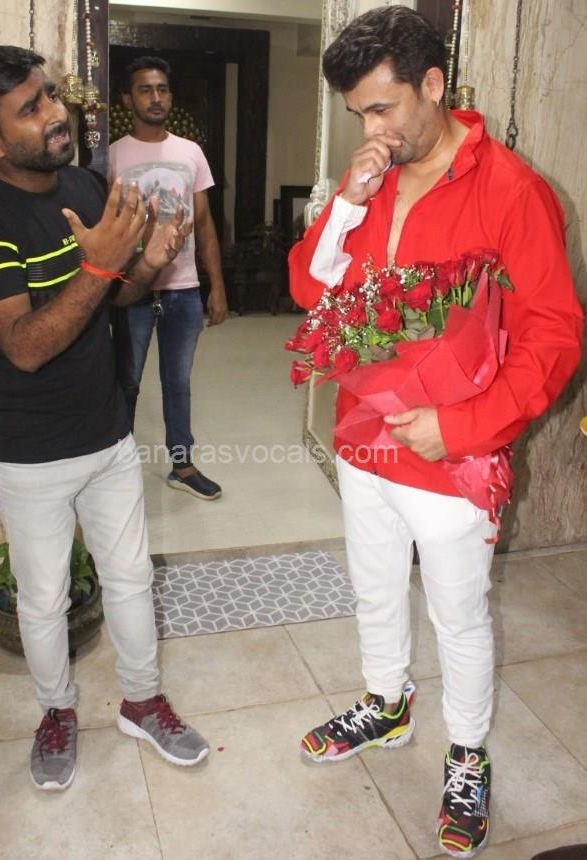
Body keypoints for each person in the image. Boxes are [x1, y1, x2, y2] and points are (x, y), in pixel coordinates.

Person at [289, 7, 583, 857]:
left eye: (383, 108)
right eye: (358, 115)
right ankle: (386, 704)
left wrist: (461, 426)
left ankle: (466, 754)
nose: (371, 131)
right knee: (375, 587)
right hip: (362, 435)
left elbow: (554, 335)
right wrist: (345, 206)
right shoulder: (370, 181)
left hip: (454, 457)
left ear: (433, 84)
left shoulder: (513, 191)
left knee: (459, 617)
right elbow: (310, 291)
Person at [0, 45, 211, 792]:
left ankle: (143, 701)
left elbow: (116, 297)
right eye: (31, 108)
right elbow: (26, 346)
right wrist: (98, 264)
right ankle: (56, 711)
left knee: (130, 578)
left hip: (107, 430)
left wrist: (146, 262)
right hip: (29, 448)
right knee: (44, 597)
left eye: (51, 95)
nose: (56, 113)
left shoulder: (87, 186)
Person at [109, 56, 228, 501]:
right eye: (145, 90)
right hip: (132, 290)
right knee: (127, 383)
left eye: (161, 89)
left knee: (178, 383)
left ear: (171, 96)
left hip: (183, 291)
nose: (155, 97)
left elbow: (205, 222)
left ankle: (182, 465)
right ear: (128, 99)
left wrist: (217, 286)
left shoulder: (190, 152)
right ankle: (115, 470)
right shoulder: (113, 155)